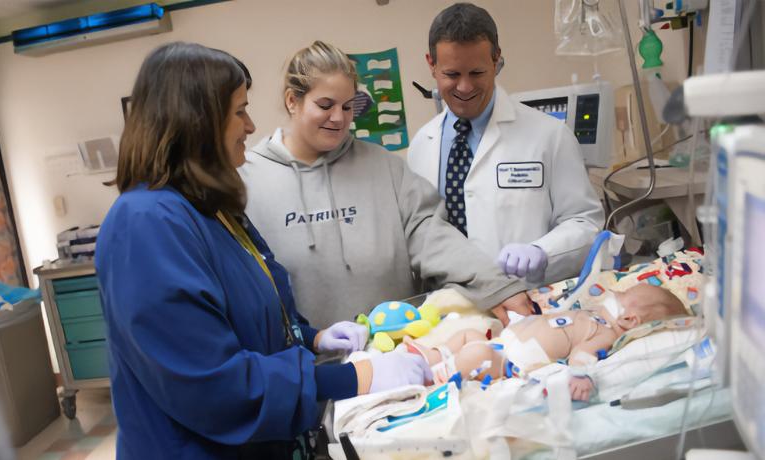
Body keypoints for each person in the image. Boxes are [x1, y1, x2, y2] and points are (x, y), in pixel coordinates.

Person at [95, 42, 433, 459]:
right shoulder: (146, 224)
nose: (250, 125)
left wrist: (312, 338)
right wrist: (356, 378)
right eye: (239, 111)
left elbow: (248, 317)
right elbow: (214, 386)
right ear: (197, 121)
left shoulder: (210, 209)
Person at [240, 41, 533, 328]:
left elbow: (433, 236)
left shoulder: (385, 168)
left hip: (395, 349)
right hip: (305, 357)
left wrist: (494, 285)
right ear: (292, 101)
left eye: (348, 106)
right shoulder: (248, 180)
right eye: (325, 105)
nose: (339, 118)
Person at [407, 3, 605, 286]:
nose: (465, 87)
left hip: (523, 296)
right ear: (431, 64)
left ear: (496, 60)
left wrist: (543, 251)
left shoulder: (550, 135)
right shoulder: (421, 145)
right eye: (452, 74)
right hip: (448, 302)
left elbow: (586, 222)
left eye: (476, 73)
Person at [403, 284, 687, 400]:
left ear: (629, 319)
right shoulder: (589, 314)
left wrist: (581, 375)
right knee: (470, 333)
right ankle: (434, 355)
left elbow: (582, 354)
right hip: (504, 340)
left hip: (510, 361)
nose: (614, 292)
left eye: (623, 295)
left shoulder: (606, 334)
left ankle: (433, 377)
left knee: (477, 354)